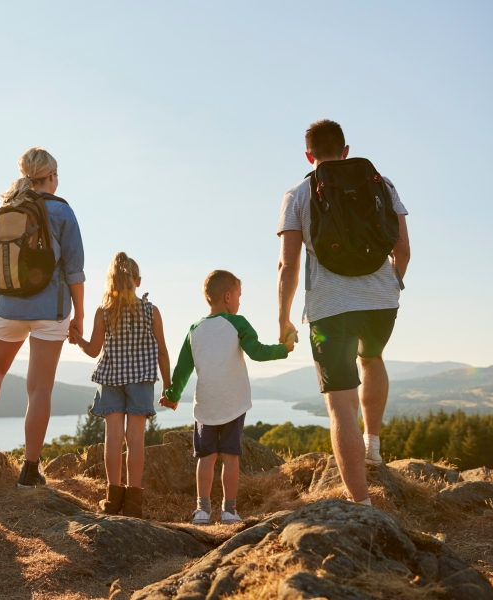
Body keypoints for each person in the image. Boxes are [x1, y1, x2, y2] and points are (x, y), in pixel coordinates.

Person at [276, 120, 410, 505]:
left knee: (340, 404)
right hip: (382, 303)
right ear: (346, 150)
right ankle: (373, 445)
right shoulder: (382, 185)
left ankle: (361, 504)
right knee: (372, 359)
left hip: (330, 308)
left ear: (309, 155)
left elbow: (289, 265)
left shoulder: (298, 194)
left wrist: (284, 317)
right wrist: (391, 284)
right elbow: (403, 250)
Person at [0, 147, 86, 489]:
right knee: (40, 388)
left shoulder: (9, 207)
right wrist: (78, 315)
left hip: (8, 306)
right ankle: (29, 470)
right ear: (52, 177)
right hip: (50, 310)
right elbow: (74, 271)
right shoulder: (62, 211)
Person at [161, 270, 293, 524]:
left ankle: (202, 510)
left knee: (206, 458)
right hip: (233, 403)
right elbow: (257, 352)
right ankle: (229, 510)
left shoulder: (194, 330)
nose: (240, 302)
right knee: (231, 457)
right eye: (239, 296)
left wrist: (172, 396)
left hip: (206, 406)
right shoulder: (238, 322)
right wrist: (284, 349)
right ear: (228, 296)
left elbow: (182, 370)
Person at [68, 252, 171, 518]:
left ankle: (113, 499)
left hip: (111, 378)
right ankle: (134, 502)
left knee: (113, 439)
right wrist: (168, 387)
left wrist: (77, 339)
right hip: (141, 379)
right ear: (137, 280)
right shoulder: (151, 311)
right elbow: (162, 352)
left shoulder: (104, 311)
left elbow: (92, 351)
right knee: (135, 440)